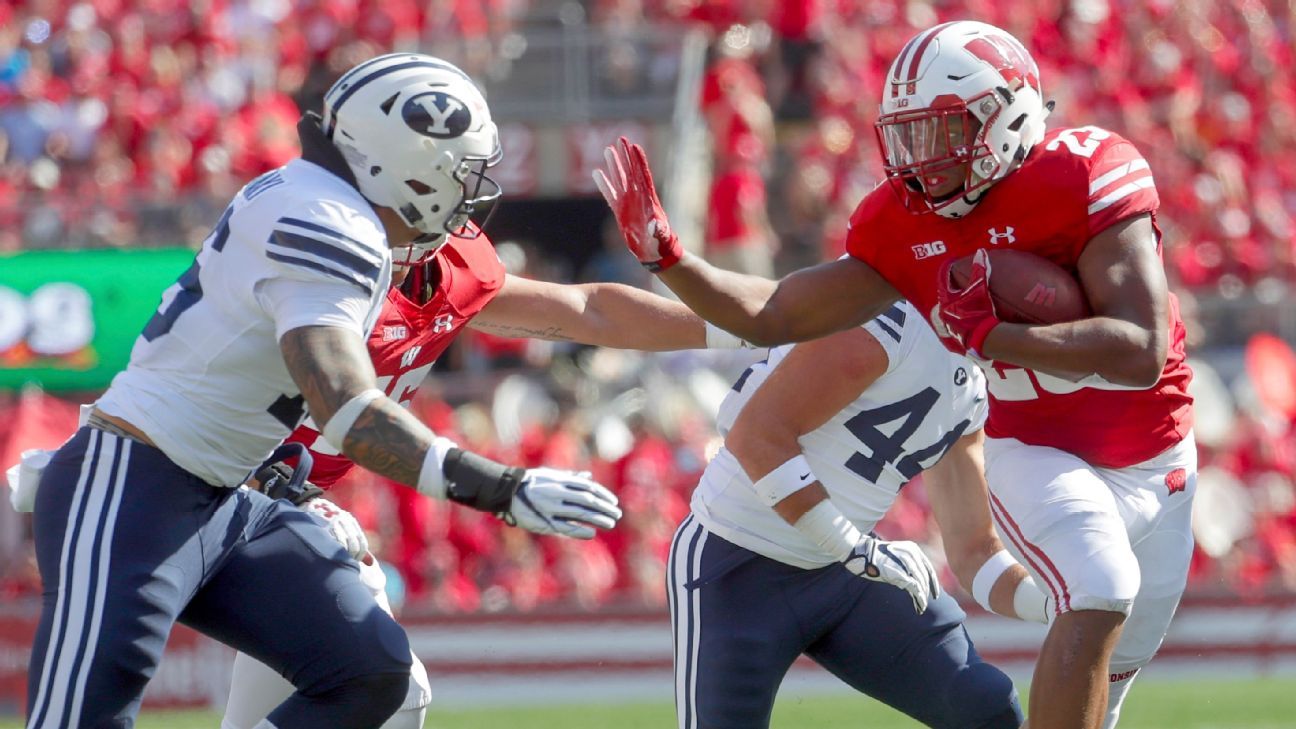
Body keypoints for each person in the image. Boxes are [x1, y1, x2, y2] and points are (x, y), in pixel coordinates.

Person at [20, 52, 714, 729]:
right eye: (462, 172)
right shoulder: (326, 223)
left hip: (232, 497)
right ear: (409, 166)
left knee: (376, 675)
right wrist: (499, 488)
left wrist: (751, 325)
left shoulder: (392, 237)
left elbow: (584, 310)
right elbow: (345, 403)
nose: (473, 192)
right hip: (137, 482)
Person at [597, 21, 1195, 729]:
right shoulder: (896, 258)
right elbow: (772, 329)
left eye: (942, 132)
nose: (923, 159)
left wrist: (994, 338)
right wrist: (670, 259)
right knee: (1098, 588)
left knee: (1030, 690)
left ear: (1005, 116)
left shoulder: (1073, 191)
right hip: (760, 554)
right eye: (909, 136)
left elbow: (1136, 354)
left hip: (878, 559)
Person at [671, 298, 1049, 728]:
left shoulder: (974, 387)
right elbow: (756, 437)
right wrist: (856, 550)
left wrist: (1057, 605)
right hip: (736, 563)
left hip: (845, 569)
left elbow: (975, 550)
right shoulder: (890, 319)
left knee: (985, 707)